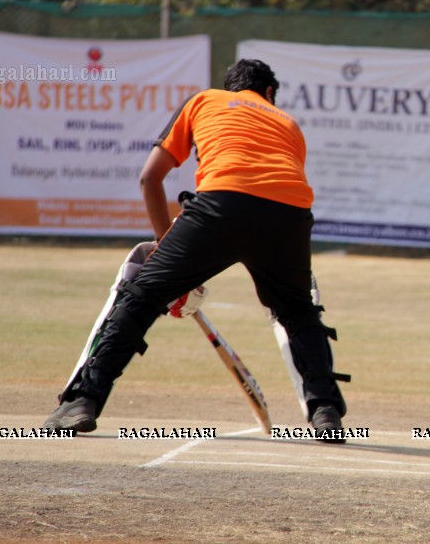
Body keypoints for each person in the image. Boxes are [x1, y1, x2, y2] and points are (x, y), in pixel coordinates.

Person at [44, 59, 349, 442]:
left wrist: (162, 247)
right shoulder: (287, 121)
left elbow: (150, 177)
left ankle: (82, 401)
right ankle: (325, 412)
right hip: (290, 214)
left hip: (222, 206)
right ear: (269, 92)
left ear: (229, 86)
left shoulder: (204, 100)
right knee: (297, 311)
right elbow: (272, 186)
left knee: (142, 295)